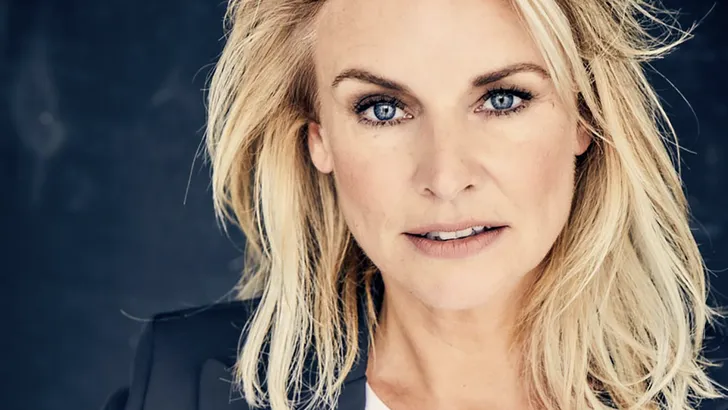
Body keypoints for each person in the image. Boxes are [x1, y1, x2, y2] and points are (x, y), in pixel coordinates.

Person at [103, 0, 728, 409]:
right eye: (383, 109)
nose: (446, 177)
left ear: (582, 118)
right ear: (319, 139)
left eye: (503, 99)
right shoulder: (188, 383)